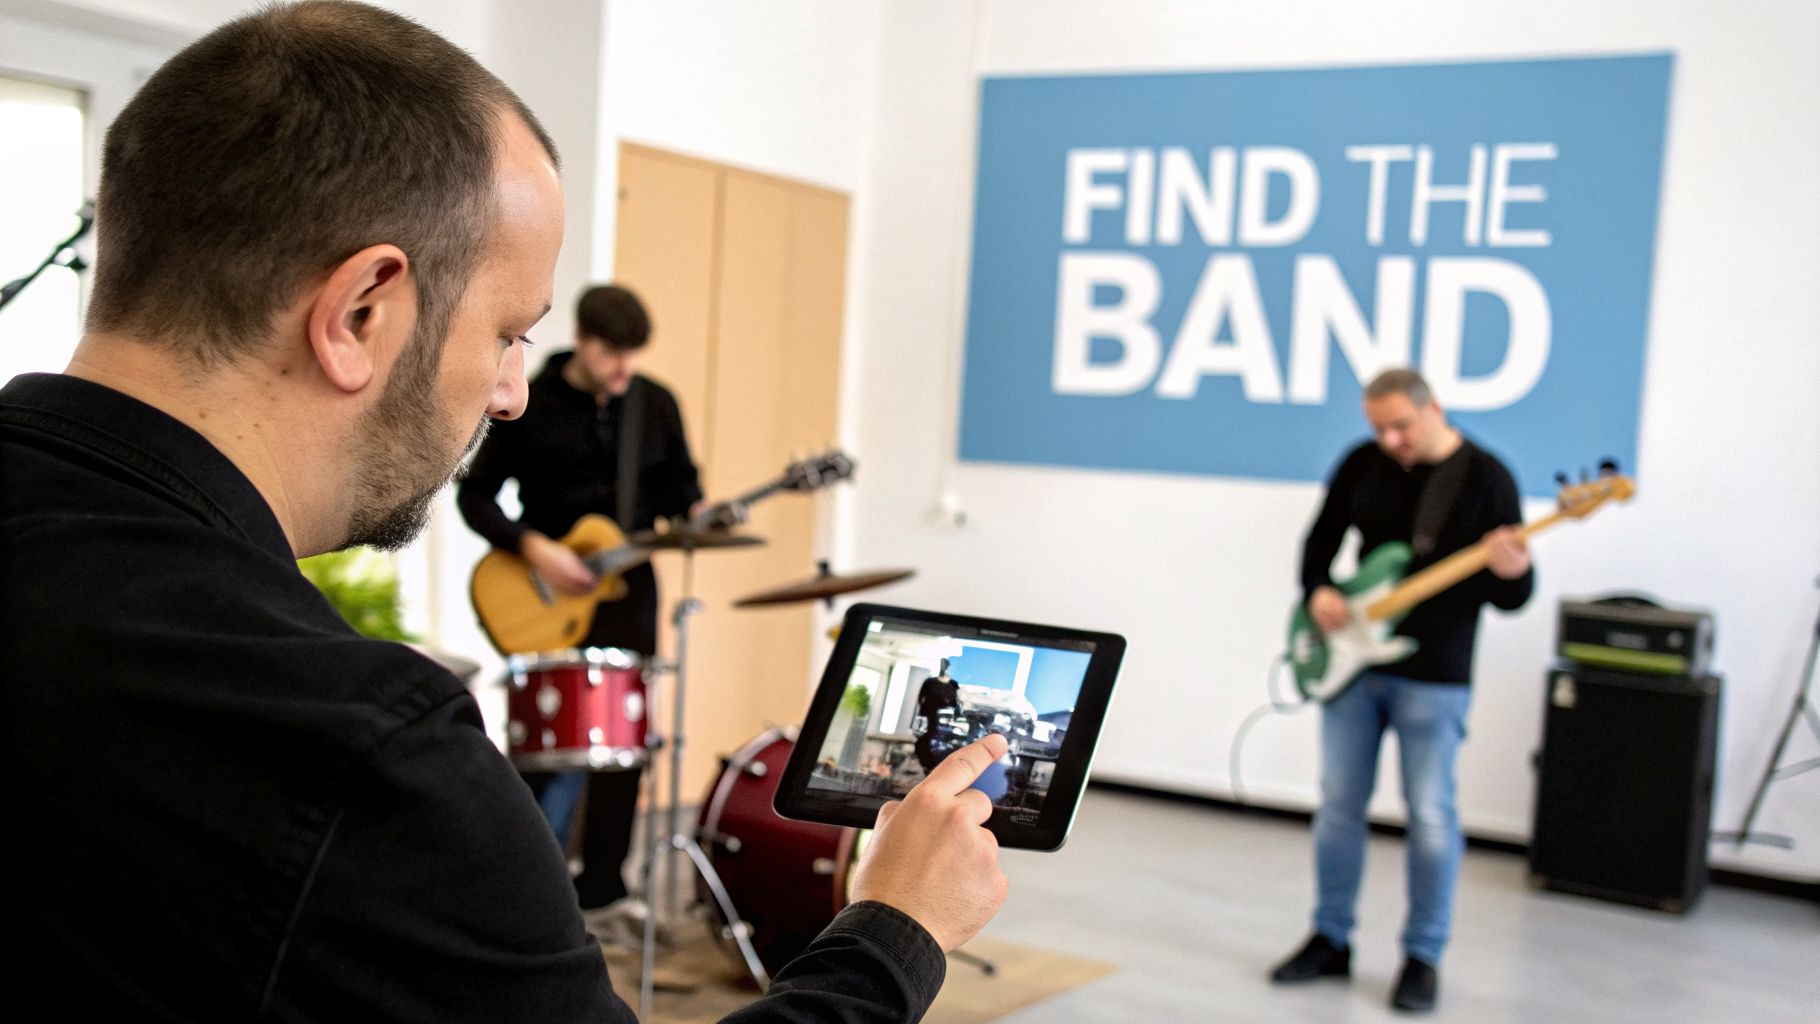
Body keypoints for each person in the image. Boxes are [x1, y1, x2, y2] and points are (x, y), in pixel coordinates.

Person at [0, 3, 1007, 1020]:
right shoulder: (362, 752)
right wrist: (893, 928)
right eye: (508, 332)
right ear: (361, 312)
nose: (510, 392)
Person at [1270, 368, 1533, 1013]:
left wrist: (1514, 569)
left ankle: (1422, 956)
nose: (1390, 440)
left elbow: (1513, 597)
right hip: (1352, 667)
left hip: (1436, 675)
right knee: (1337, 808)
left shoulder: (1486, 478)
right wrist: (1320, 591)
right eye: (1378, 428)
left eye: (1401, 426)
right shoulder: (1363, 462)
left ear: (1434, 410)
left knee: (1432, 817)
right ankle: (1330, 939)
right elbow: (1318, 545)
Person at [457, 282, 700, 916]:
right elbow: (475, 496)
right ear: (585, 342)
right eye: (613, 353)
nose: (624, 368)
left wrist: (701, 513)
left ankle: (604, 890)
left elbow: (683, 492)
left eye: (633, 355)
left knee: (625, 747)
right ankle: (525, 897)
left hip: (629, 595)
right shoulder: (531, 402)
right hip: (545, 594)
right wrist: (536, 548)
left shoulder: (655, 405)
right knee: (545, 742)